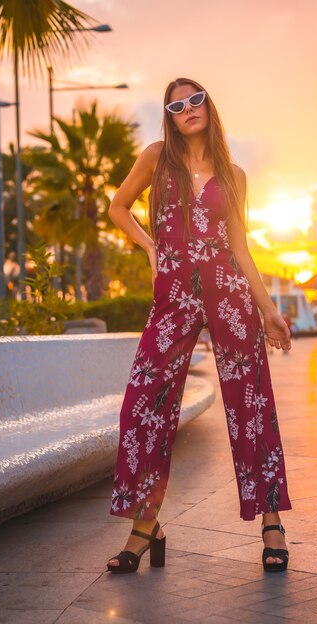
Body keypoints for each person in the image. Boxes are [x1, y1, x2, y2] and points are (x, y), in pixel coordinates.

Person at [106, 77, 292, 575]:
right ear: (168, 115)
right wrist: (150, 247)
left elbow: (241, 248)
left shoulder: (234, 174)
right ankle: (147, 525)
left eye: (195, 100)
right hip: (173, 295)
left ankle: (271, 520)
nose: (187, 109)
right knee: (144, 401)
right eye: (176, 105)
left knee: (250, 403)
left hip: (230, 294)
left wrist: (269, 308)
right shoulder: (155, 158)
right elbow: (117, 207)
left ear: (208, 106)